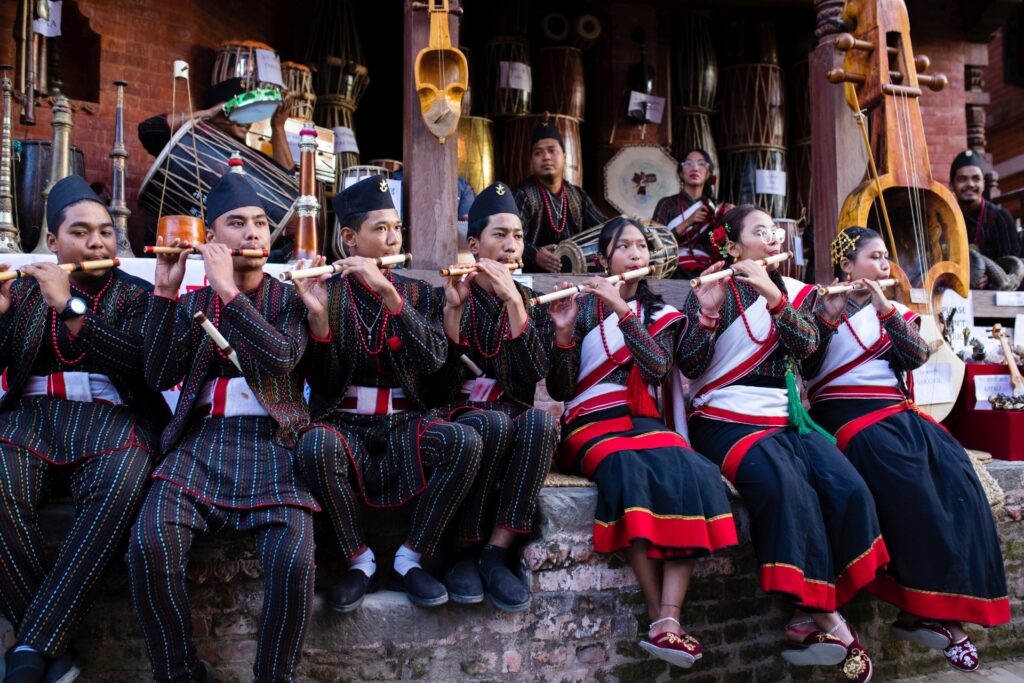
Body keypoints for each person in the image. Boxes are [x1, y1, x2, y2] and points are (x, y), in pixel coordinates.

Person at [676, 205, 889, 683]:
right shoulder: (714, 289)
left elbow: (809, 349)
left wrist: (781, 300)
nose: (773, 237)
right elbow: (690, 366)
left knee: (847, 487)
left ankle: (804, 616)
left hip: (784, 417)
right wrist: (706, 315)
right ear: (734, 248)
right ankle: (831, 622)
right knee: (784, 486)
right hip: (723, 419)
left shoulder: (795, 292)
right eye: (759, 231)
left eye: (775, 230)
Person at [126, 172, 317, 683]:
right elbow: (159, 373)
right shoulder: (192, 304)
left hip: (275, 441)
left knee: (294, 560)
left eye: (260, 224)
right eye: (238, 224)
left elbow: (280, 359)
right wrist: (164, 294)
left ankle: (274, 676)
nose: (254, 233)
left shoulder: (293, 299)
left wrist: (229, 293)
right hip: (202, 441)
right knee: (148, 543)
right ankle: (180, 671)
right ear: (212, 239)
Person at [804, 226, 1010, 673]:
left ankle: (937, 611)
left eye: (885, 258)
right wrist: (828, 317)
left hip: (895, 412)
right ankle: (932, 613)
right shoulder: (817, 304)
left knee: (958, 476)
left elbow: (915, 356)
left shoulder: (894, 310)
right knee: (906, 480)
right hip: (844, 415)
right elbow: (808, 365)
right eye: (874, 257)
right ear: (846, 264)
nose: (883, 266)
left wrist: (884, 311)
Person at [545, 216, 738, 671]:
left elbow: (654, 368)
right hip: (590, 423)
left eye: (641, 247)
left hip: (644, 423)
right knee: (627, 471)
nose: (635, 254)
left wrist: (625, 312)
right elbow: (559, 388)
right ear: (603, 258)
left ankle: (669, 617)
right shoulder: (580, 306)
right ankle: (660, 619)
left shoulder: (661, 316)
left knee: (695, 470)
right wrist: (563, 334)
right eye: (624, 247)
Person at [0, 177, 169, 683]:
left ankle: (30, 648)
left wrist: (69, 306)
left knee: (126, 477)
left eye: (105, 232)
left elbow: (141, 368)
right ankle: (52, 644)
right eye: (81, 232)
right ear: (53, 243)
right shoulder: (22, 289)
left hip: (109, 418)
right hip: (29, 417)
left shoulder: (137, 294)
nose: (98, 243)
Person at [293, 175, 482, 611]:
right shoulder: (328, 290)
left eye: (396, 228)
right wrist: (318, 318)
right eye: (380, 229)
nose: (393, 237)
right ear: (348, 238)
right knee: (314, 445)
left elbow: (436, 359)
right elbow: (322, 383)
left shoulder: (418, 293)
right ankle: (358, 560)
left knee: (464, 442)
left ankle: (410, 557)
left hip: (405, 421)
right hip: (345, 423)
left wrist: (388, 293)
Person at [426, 181, 560, 612]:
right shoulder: (444, 295)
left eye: (517, 237)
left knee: (541, 423)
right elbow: (435, 379)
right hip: (458, 412)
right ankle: (463, 550)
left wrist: (515, 304)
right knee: (492, 423)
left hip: (513, 411)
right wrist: (453, 313)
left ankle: (496, 551)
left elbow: (534, 375)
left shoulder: (533, 302)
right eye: (499, 235)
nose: (510, 246)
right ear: (474, 244)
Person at [137, 77, 295, 171]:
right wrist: (207, 114)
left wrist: (278, 127)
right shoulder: (188, 144)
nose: (247, 121)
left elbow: (287, 179)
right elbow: (148, 129)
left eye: (250, 113)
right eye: (240, 112)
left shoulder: (247, 154)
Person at [513, 121, 606, 273]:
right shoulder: (523, 195)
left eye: (552, 150)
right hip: (531, 281)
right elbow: (508, 240)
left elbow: (604, 229)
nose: (546, 157)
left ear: (564, 156)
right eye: (538, 153)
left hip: (575, 280)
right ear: (531, 161)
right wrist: (535, 255)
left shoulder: (577, 196)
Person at [651, 148, 718, 277]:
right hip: (673, 268)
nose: (695, 168)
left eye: (701, 164)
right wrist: (688, 222)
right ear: (681, 173)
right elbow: (655, 243)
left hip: (708, 269)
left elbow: (720, 246)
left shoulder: (713, 207)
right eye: (688, 163)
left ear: (708, 173)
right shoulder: (667, 204)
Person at [950, 149, 1019, 261]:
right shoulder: (947, 219)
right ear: (952, 185)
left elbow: (1012, 267)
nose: (970, 184)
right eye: (962, 179)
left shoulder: (1001, 218)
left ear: (983, 184)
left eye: (976, 179)